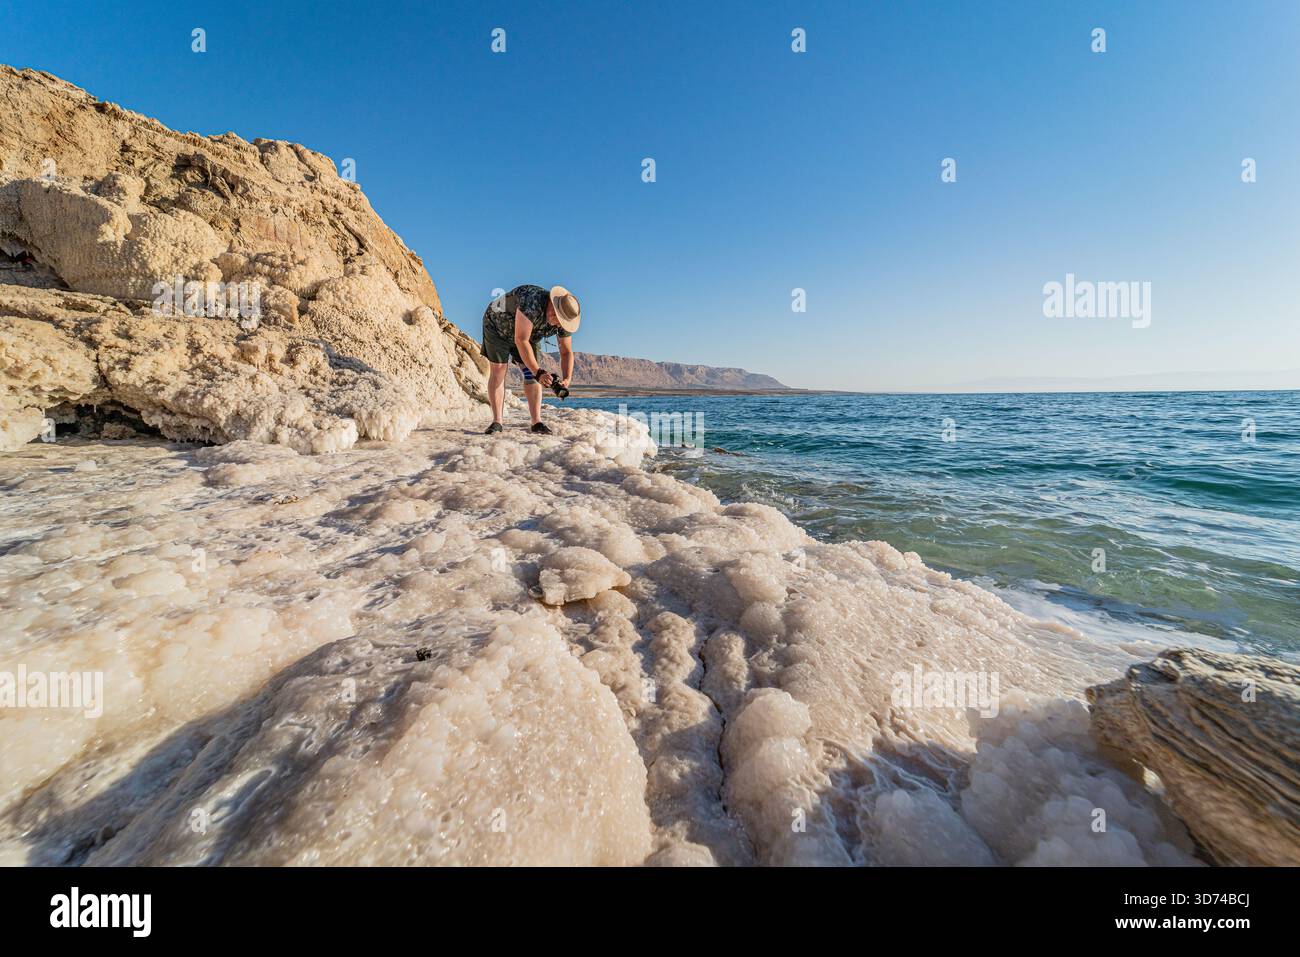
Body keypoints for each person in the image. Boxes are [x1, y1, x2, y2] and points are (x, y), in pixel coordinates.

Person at [480, 284, 580, 434]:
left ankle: (536, 422)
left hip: (528, 335)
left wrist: (566, 379)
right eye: (558, 319)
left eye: (562, 322)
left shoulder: (564, 320)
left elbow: (566, 352)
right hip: (497, 327)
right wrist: (538, 372)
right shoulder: (532, 301)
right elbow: (521, 340)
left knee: (531, 376)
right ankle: (497, 422)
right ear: (552, 306)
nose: (559, 324)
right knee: (499, 369)